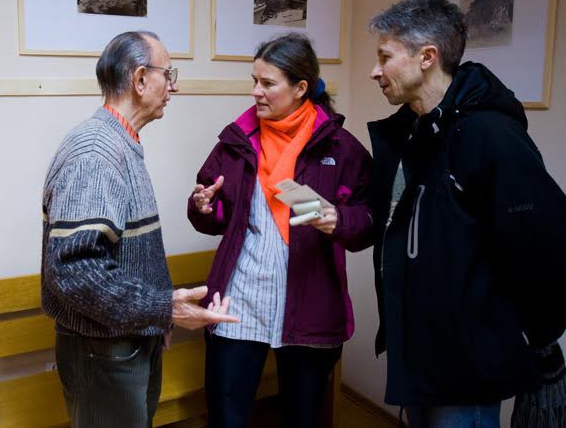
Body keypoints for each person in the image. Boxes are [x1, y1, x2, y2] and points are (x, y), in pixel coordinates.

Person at [367, 0, 566, 428]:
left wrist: (521, 336)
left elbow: (550, 253)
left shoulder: (490, 136)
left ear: (427, 57)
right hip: (419, 357)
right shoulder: (412, 133)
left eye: (384, 57)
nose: (375, 71)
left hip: (467, 369)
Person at [41, 31, 238, 428]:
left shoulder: (120, 143)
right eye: (169, 73)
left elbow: (127, 253)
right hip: (104, 352)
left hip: (128, 341)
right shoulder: (96, 153)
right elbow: (75, 269)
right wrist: (162, 308)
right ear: (141, 79)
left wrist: (154, 320)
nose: (174, 85)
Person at [188, 33, 374, 428]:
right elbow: (215, 215)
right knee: (227, 417)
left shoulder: (341, 148)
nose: (256, 92)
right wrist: (202, 205)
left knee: (302, 419)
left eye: (268, 83)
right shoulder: (237, 141)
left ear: (301, 87)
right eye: (254, 81)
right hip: (239, 303)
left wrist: (339, 220)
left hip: (309, 307)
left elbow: (368, 223)